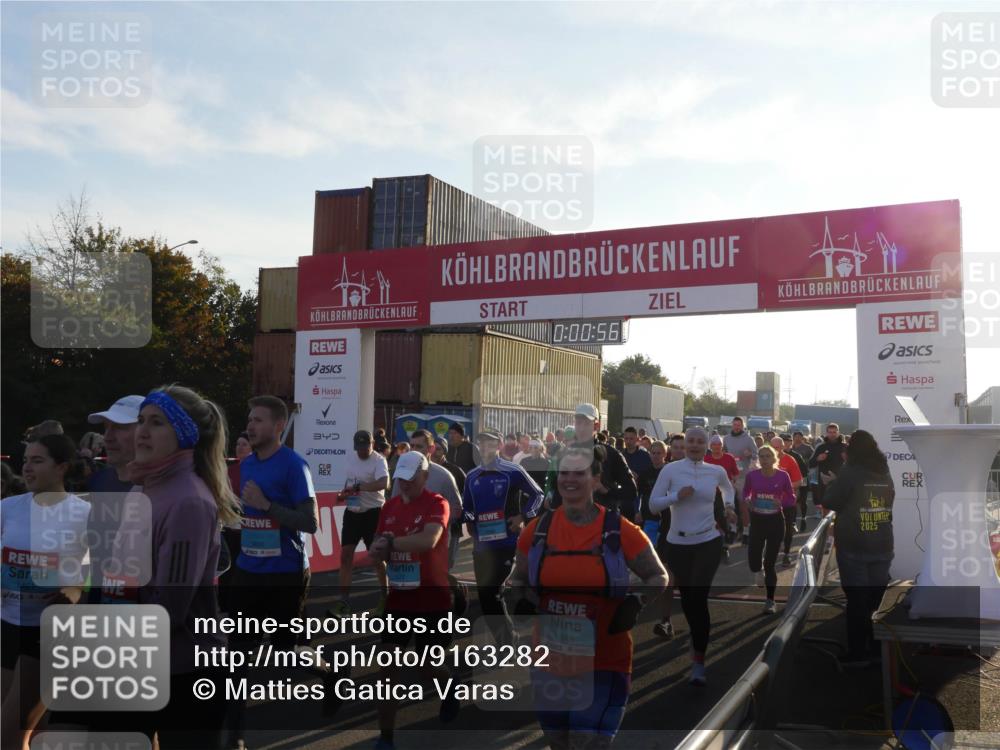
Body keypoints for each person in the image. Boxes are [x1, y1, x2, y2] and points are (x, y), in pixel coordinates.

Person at [505, 445, 668, 748]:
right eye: (563, 473)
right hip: (549, 661)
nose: (569, 480)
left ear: (595, 479)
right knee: (558, 741)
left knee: (586, 743)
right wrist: (519, 598)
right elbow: (516, 579)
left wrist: (635, 601)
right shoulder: (537, 531)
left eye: (579, 473)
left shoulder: (620, 530)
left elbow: (658, 576)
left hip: (604, 661)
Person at [104, 385, 240, 747]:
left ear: (183, 435)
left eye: (157, 422)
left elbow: (168, 609)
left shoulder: (189, 501)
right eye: (141, 421)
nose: (142, 432)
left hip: (187, 673)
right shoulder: (143, 487)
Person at [228, 395, 317, 749]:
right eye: (249, 419)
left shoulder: (295, 466)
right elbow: (245, 514)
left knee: (287, 654)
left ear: (279, 426)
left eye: (259, 420)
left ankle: (330, 673)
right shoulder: (246, 465)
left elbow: (309, 523)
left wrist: (267, 505)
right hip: (249, 571)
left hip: (285, 573)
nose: (251, 426)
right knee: (236, 658)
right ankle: (235, 737)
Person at [367, 451, 461, 749]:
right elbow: (377, 543)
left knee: (427, 664)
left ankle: (449, 687)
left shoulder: (437, 503)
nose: (404, 484)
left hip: (433, 600)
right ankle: (386, 738)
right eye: (400, 479)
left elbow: (428, 540)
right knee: (387, 667)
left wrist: (391, 543)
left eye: (410, 478)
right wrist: (375, 552)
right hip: (399, 601)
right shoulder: (390, 506)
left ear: (424, 476)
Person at [1, 434, 90, 750]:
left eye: (37, 461)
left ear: (62, 467)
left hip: (49, 632)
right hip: (8, 625)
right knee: (22, 729)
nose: (27, 468)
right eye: (25, 461)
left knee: (11, 730)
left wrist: (76, 590)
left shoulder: (84, 514)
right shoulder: (7, 508)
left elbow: (95, 575)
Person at [649, 428, 736, 685]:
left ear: (707, 446)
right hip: (677, 542)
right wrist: (676, 496)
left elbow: (728, 489)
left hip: (708, 540)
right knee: (688, 600)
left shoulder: (715, 471)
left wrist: (729, 507)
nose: (695, 445)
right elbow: (653, 504)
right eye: (691, 441)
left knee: (698, 596)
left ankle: (698, 660)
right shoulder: (670, 470)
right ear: (684, 444)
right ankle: (696, 638)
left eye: (700, 442)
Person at [820, 429, 895, 667]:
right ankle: (876, 649)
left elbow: (831, 501)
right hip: (882, 543)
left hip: (855, 545)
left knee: (857, 601)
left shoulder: (850, 472)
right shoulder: (884, 472)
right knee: (876, 600)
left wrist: (833, 483)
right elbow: (890, 499)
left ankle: (857, 653)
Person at [463, 431, 543, 643]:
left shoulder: (513, 470)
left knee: (492, 591)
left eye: (489, 444)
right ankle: (508, 638)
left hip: (506, 542)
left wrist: (523, 516)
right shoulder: (472, 476)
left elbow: (538, 495)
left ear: (498, 445)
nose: (485, 449)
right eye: (481, 445)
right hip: (481, 545)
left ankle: (506, 641)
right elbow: (468, 508)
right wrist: (471, 522)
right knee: (485, 595)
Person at [83, 395, 144, 604]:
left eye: (120, 427)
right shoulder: (98, 482)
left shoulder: (164, 491)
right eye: (106, 427)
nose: (108, 437)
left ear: (145, 434)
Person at [329, 431, 390, 618]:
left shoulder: (379, 461)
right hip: (353, 513)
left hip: (374, 513)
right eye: (359, 448)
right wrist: (342, 495)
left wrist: (361, 487)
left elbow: (384, 483)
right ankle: (344, 601)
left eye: (366, 447)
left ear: (372, 444)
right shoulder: (349, 459)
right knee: (346, 556)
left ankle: (385, 596)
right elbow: (348, 485)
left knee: (377, 558)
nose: (362, 451)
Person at [546, 404, 638, 519]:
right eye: (578, 422)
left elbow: (631, 491)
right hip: (572, 522)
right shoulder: (565, 454)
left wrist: (605, 490)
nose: (581, 427)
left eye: (586, 423)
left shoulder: (611, 454)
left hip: (603, 523)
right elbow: (558, 493)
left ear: (596, 426)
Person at [391, 430, 462, 570]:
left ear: (431, 449)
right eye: (412, 446)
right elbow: (394, 506)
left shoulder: (444, 477)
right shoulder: (401, 473)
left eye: (419, 447)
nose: (414, 451)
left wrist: (432, 522)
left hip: (436, 545)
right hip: (408, 545)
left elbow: (456, 511)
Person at [740, 446, 796, 614]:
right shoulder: (752, 476)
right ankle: (758, 570)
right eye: (762, 456)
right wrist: (748, 500)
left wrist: (783, 503)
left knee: (770, 563)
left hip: (776, 521)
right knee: (754, 561)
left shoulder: (783, 475)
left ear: (774, 458)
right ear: (759, 459)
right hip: (757, 520)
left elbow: (791, 497)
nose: (764, 459)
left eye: (768, 456)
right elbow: (745, 492)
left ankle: (770, 600)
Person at [637, 440, 677, 639]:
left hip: (671, 522)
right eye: (652, 452)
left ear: (665, 454)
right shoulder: (644, 473)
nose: (655, 455)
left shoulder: (670, 472)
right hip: (650, 520)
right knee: (654, 558)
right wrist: (638, 512)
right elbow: (641, 495)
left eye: (659, 452)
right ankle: (660, 605)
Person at [770, 437, 804, 567]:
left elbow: (798, 481)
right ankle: (772, 553)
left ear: (783, 447)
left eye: (777, 447)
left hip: (787, 501)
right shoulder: (766, 459)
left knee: (788, 528)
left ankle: (786, 554)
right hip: (770, 502)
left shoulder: (790, 460)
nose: (774, 450)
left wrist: (783, 489)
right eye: (772, 447)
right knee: (771, 529)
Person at [723, 417, 758, 543]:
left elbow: (756, 455)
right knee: (729, 505)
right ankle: (732, 529)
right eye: (735, 424)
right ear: (732, 425)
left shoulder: (748, 439)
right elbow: (722, 453)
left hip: (743, 476)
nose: (737, 427)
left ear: (742, 426)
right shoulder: (726, 439)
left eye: (739, 425)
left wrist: (750, 455)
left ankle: (746, 531)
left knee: (743, 505)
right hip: (730, 477)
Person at [809, 423, 847, 512]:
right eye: (830, 432)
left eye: (834, 432)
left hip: (840, 481)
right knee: (826, 508)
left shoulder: (845, 447)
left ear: (838, 433)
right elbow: (811, 464)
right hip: (824, 483)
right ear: (827, 433)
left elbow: (854, 464)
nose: (832, 434)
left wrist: (847, 459)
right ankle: (826, 524)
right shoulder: (821, 447)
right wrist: (818, 459)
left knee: (840, 508)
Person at [790, 431, 814, 532]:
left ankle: (803, 518)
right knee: (794, 500)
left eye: (799, 437)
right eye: (795, 437)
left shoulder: (808, 448)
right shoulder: (790, 449)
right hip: (792, 477)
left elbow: (813, 460)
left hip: (803, 475)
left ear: (802, 438)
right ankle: (793, 522)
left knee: (803, 500)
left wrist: (807, 463)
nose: (797, 438)